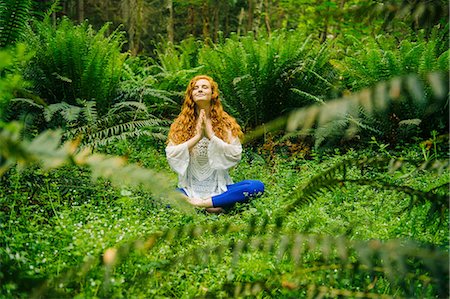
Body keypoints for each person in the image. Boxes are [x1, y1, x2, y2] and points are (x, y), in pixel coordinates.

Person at [165, 75, 264, 213]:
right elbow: (171, 154)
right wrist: (198, 137)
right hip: (189, 190)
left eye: (204, 87)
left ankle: (202, 205)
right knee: (162, 194)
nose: (199, 90)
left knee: (255, 186)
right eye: (195, 88)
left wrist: (211, 136)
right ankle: (215, 206)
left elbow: (235, 154)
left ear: (213, 93)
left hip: (220, 189)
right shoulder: (181, 125)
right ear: (191, 95)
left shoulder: (225, 123)